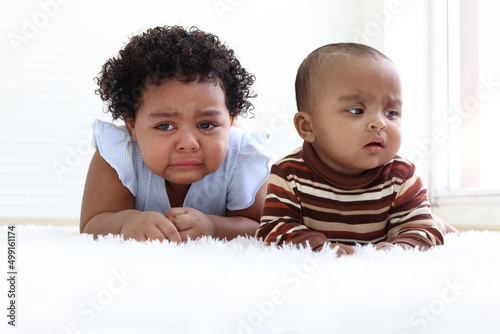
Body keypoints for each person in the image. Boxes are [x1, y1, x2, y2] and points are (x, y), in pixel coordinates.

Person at [256, 43, 456, 255]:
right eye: (356, 110)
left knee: (431, 223)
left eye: (391, 112)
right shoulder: (288, 174)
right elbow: (273, 230)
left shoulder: (401, 176)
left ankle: (440, 221)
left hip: (393, 231)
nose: (380, 123)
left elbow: (422, 230)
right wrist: (319, 248)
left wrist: (399, 248)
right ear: (308, 127)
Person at [80, 26, 272, 242]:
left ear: (231, 120)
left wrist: (214, 228)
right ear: (132, 125)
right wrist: (125, 222)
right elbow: (92, 224)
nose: (188, 144)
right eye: (165, 126)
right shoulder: (118, 154)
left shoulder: (242, 156)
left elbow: (260, 227)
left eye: (207, 125)